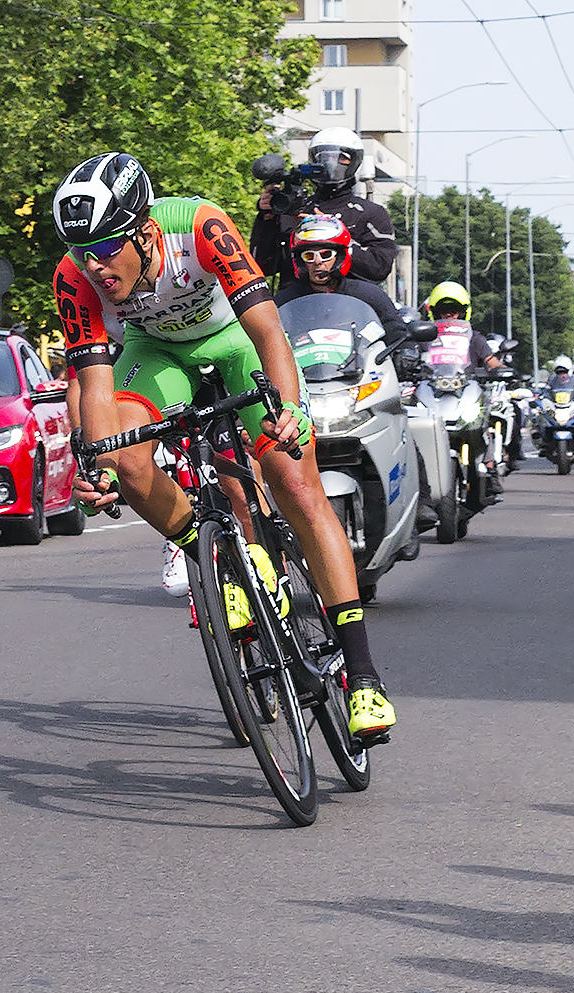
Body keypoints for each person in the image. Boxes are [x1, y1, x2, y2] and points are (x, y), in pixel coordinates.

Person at [52, 151, 394, 743]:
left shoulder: (200, 226)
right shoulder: (74, 276)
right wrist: (99, 466)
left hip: (236, 340)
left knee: (295, 484)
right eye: (83, 252)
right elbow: (95, 385)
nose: (95, 266)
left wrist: (289, 409)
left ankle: (363, 676)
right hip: (157, 353)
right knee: (128, 461)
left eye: (106, 248)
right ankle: (218, 558)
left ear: (145, 232)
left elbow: (266, 329)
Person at [249, 127, 397, 287]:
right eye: (323, 157)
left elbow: (380, 268)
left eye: (341, 157)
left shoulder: (370, 213)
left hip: (351, 298)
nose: (330, 163)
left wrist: (334, 232)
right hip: (295, 298)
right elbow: (261, 266)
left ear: (355, 161)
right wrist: (267, 219)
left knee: (380, 302)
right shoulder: (293, 211)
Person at [272, 214, 407, 337]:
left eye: (325, 255)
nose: (317, 261)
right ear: (300, 261)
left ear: (340, 257)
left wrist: (406, 350)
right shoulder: (285, 300)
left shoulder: (370, 295)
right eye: (309, 256)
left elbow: (397, 333)